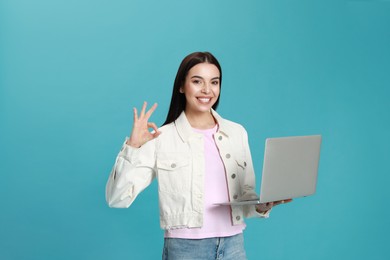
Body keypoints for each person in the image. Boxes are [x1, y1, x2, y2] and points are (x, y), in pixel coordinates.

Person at [105, 51, 292, 259]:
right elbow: (117, 198)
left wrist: (262, 205)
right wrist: (133, 147)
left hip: (234, 245)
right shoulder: (161, 137)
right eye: (197, 81)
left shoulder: (236, 133)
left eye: (214, 82)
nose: (207, 90)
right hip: (186, 248)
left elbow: (244, 197)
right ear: (181, 86)